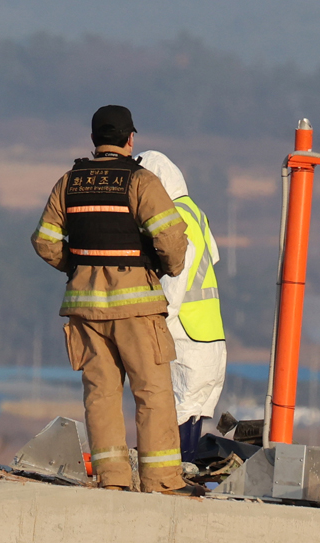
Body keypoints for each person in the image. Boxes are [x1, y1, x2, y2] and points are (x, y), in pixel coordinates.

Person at [30, 106, 191, 493]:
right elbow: (171, 240)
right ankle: (162, 481)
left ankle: (113, 481)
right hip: (136, 307)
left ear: (94, 140)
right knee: (151, 391)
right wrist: (164, 268)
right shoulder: (141, 181)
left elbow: (45, 241)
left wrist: (76, 266)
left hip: (85, 310)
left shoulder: (69, 182)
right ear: (130, 139)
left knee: (100, 394)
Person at [136, 151, 226, 465]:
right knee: (194, 413)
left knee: (176, 415)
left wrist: (158, 317)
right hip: (211, 335)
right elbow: (211, 259)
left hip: (186, 334)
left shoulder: (174, 218)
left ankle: (173, 481)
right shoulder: (196, 212)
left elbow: (178, 275)